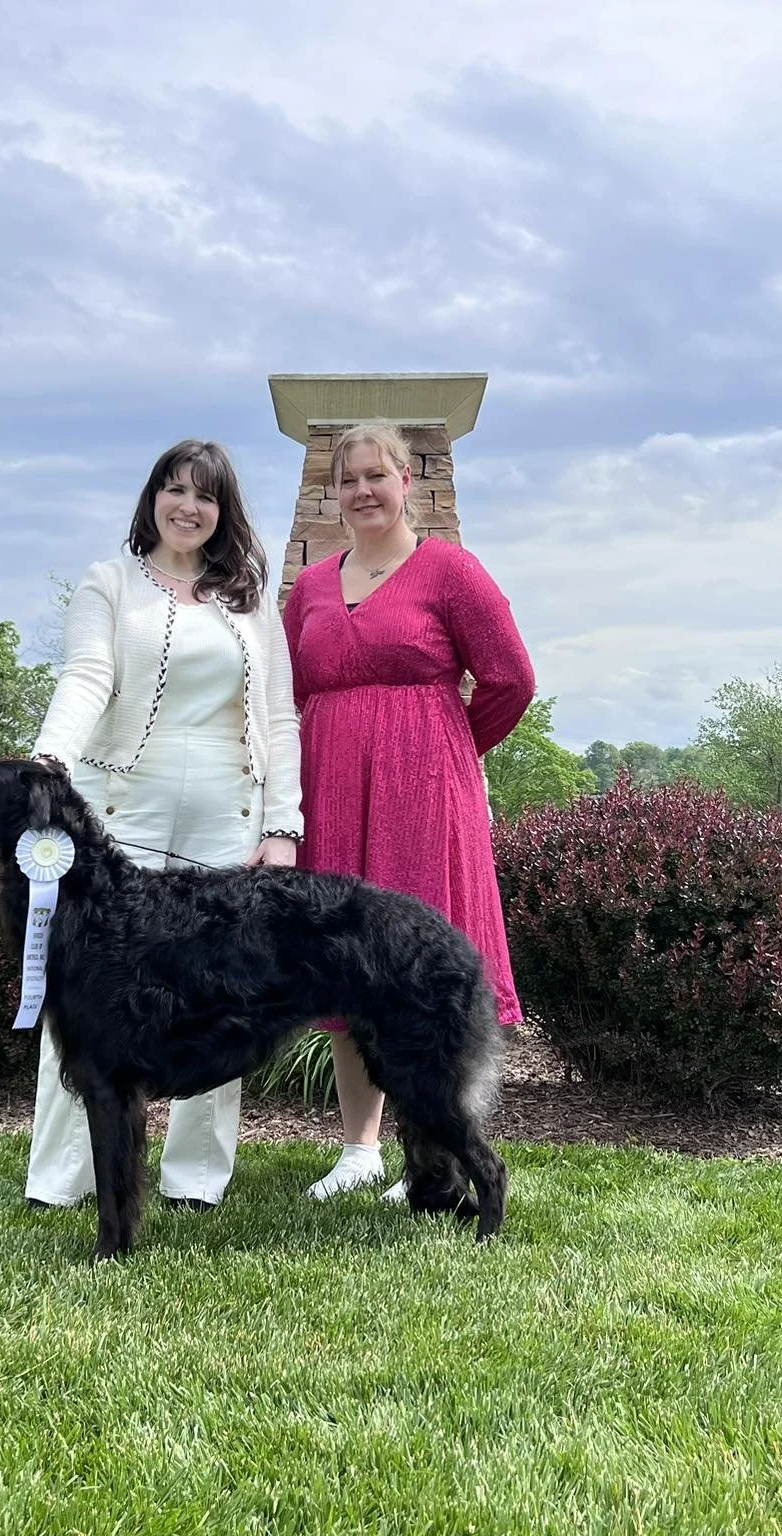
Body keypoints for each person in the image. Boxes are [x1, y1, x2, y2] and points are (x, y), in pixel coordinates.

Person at [25, 439, 303, 1209]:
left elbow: (280, 716)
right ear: (152, 498)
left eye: (206, 496)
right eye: (175, 490)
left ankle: (195, 1178)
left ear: (223, 512)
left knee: (216, 993)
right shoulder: (108, 582)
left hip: (227, 812)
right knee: (89, 996)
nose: (189, 506)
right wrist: (48, 762)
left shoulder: (249, 599)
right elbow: (87, 676)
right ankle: (62, 1177)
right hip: (121, 809)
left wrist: (282, 825)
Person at [282, 422, 536, 1201]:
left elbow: (511, 679)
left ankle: (436, 1154)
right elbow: (287, 692)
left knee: (422, 974)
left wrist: (449, 749)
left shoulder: (450, 571)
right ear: (334, 492)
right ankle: (358, 1151)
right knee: (349, 968)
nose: (362, 490)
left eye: (376, 475)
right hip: (332, 796)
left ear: (406, 482)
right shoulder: (311, 588)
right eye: (348, 478)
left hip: (425, 797)